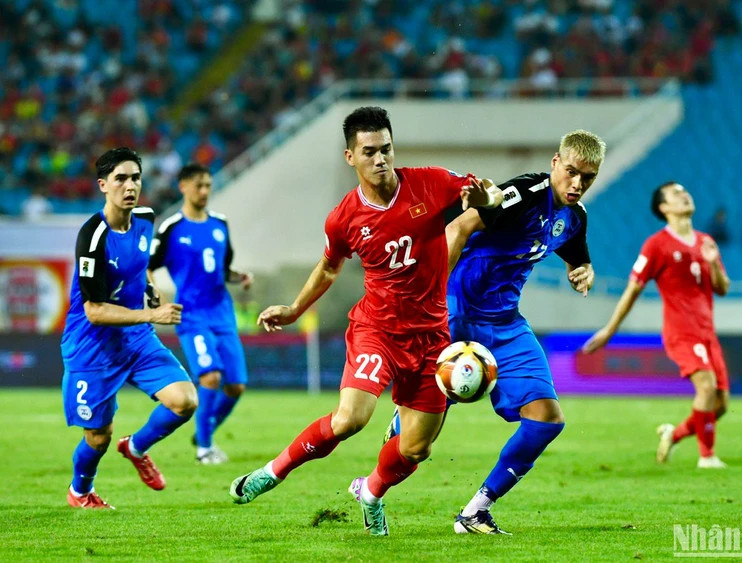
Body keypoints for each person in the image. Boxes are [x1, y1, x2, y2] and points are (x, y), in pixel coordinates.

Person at [227, 106, 503, 536]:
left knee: (416, 449)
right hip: (378, 330)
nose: (381, 159)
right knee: (350, 419)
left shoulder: (432, 182)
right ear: (350, 157)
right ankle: (273, 471)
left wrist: (484, 198)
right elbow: (329, 268)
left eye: (387, 149)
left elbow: (493, 197)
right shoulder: (344, 218)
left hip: (432, 338)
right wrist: (295, 309)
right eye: (370, 151)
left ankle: (371, 493)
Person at [385, 130, 605, 534]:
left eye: (587, 178)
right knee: (414, 447)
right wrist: (431, 300)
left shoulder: (576, 217)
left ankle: (475, 511)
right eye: (571, 172)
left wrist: (583, 271)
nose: (577, 184)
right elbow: (458, 229)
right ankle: (397, 432)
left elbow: (578, 256)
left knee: (546, 420)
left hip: (504, 323)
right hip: (453, 314)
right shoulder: (524, 192)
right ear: (556, 162)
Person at [61, 147, 197, 509]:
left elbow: (140, 266)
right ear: (104, 185)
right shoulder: (93, 236)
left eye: (135, 177)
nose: (130, 185)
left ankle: (135, 447)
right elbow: (93, 310)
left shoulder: (145, 218)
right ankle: (80, 491)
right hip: (93, 345)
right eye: (120, 178)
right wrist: (153, 315)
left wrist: (149, 289)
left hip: (135, 338)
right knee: (97, 437)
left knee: (184, 401)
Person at [583, 181, 730, 469]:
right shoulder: (657, 245)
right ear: (664, 208)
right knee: (706, 387)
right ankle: (707, 457)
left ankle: (672, 435)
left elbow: (722, 288)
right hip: (682, 332)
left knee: (720, 405)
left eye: (686, 191)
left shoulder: (705, 242)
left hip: (707, 333)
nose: (685, 195)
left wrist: (713, 263)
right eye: (676, 194)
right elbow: (633, 288)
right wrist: (610, 330)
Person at [148, 163, 253, 464]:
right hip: (192, 315)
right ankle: (204, 449)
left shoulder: (220, 224)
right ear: (183, 186)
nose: (205, 191)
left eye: (208, 185)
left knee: (236, 385)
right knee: (209, 377)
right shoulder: (171, 228)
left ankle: (204, 430)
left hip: (222, 313)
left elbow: (221, 270)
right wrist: (158, 298)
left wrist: (240, 277)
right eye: (199, 185)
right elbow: (148, 267)